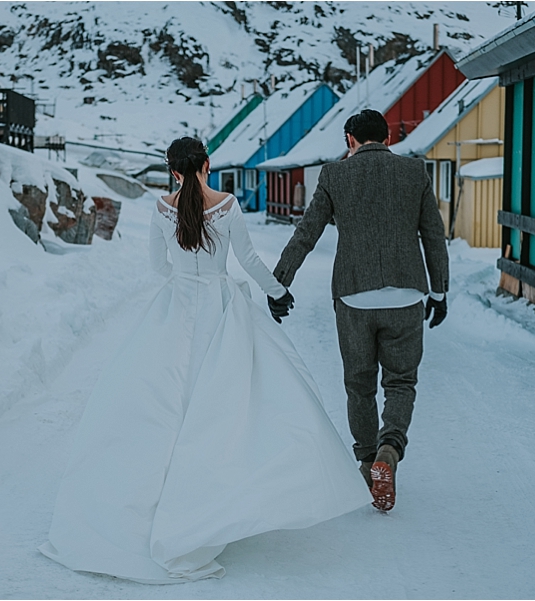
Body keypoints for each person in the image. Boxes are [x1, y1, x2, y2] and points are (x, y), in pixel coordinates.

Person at [39, 137, 368, 583]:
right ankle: (209, 502)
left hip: (175, 309)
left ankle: (146, 504)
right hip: (220, 310)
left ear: (173, 171)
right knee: (225, 410)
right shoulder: (227, 205)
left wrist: (181, 275)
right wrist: (277, 291)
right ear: (207, 164)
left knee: (162, 408)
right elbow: (248, 259)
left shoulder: (160, 209)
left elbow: (158, 269)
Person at [270, 109, 449, 512]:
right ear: (385, 138)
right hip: (406, 295)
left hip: (354, 297)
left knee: (359, 384)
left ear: (351, 139)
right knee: (401, 382)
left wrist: (280, 283)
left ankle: (369, 462)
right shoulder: (414, 172)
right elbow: (433, 237)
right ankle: (391, 449)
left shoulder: (334, 176)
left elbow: (307, 233)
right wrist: (439, 292)